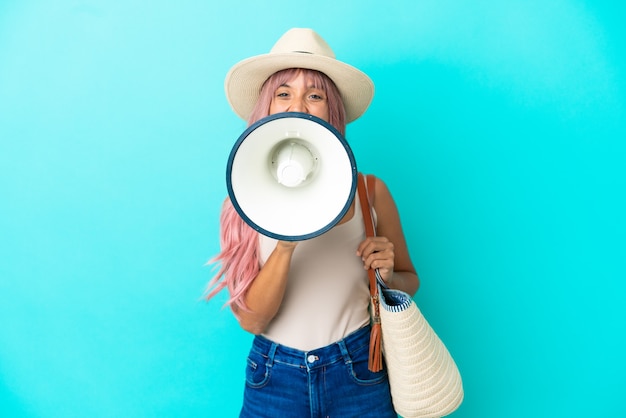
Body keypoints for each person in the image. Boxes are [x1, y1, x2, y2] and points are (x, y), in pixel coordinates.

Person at [205, 28, 420, 418]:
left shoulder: (370, 191)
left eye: (315, 95)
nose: (298, 104)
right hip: (275, 376)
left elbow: (410, 280)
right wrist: (285, 243)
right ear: (266, 107)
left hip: (359, 371)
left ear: (332, 109)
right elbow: (251, 320)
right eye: (283, 93)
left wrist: (388, 274)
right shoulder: (244, 199)